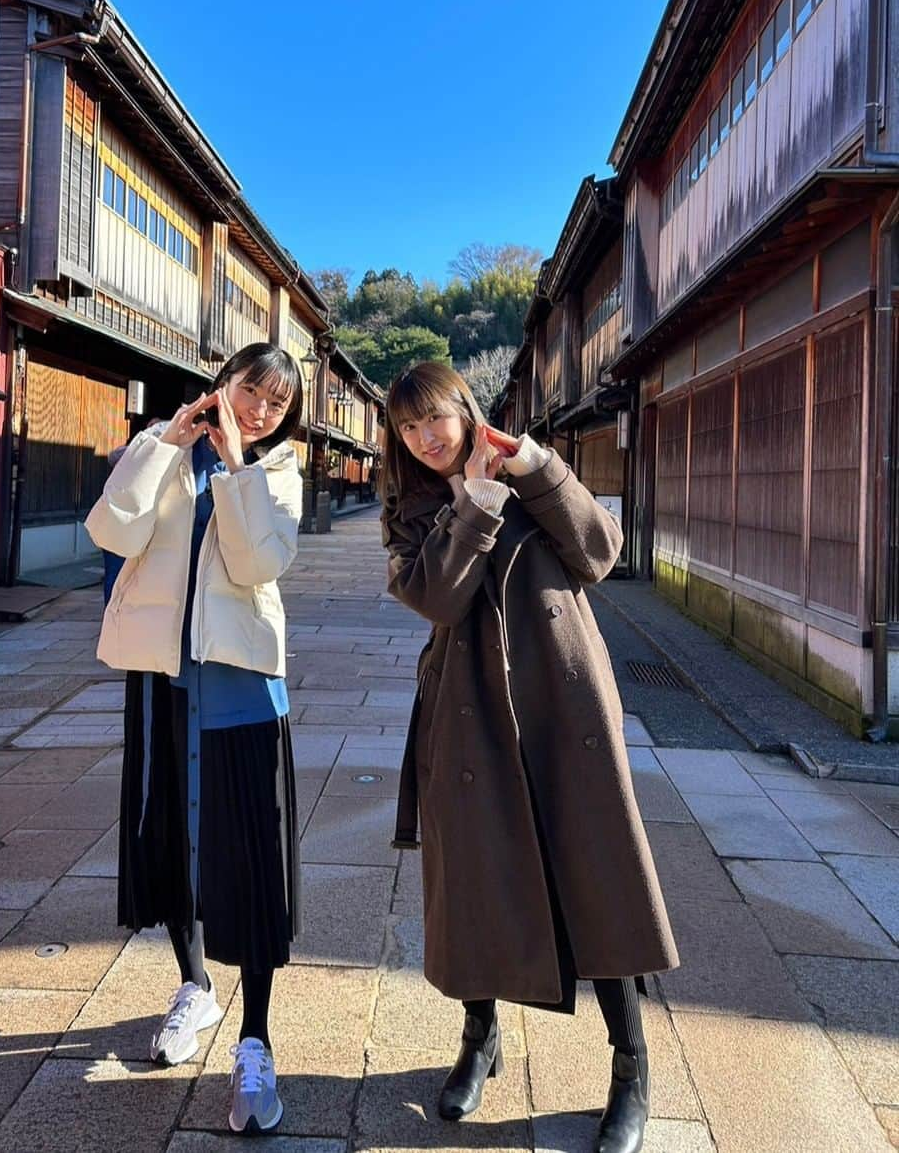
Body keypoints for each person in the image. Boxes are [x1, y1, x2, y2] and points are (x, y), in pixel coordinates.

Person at [379, 362, 678, 1153]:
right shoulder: (410, 511)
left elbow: (599, 550)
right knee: (476, 879)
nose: (427, 436)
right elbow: (438, 597)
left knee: (599, 876)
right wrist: (473, 502)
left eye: (436, 417)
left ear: (463, 408)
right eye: (409, 427)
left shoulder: (527, 473)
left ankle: (631, 1067)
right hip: (468, 713)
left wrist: (537, 469)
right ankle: (481, 1037)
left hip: (561, 699)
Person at [85, 342, 305, 1135]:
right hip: (161, 677)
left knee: (250, 855)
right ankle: (193, 985)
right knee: (172, 839)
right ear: (223, 384)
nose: (260, 408)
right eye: (252, 390)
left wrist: (241, 464)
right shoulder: (163, 452)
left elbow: (254, 564)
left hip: (243, 682)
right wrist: (160, 445)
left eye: (278, 403)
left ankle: (257, 1037)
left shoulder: (279, 473)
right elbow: (111, 529)